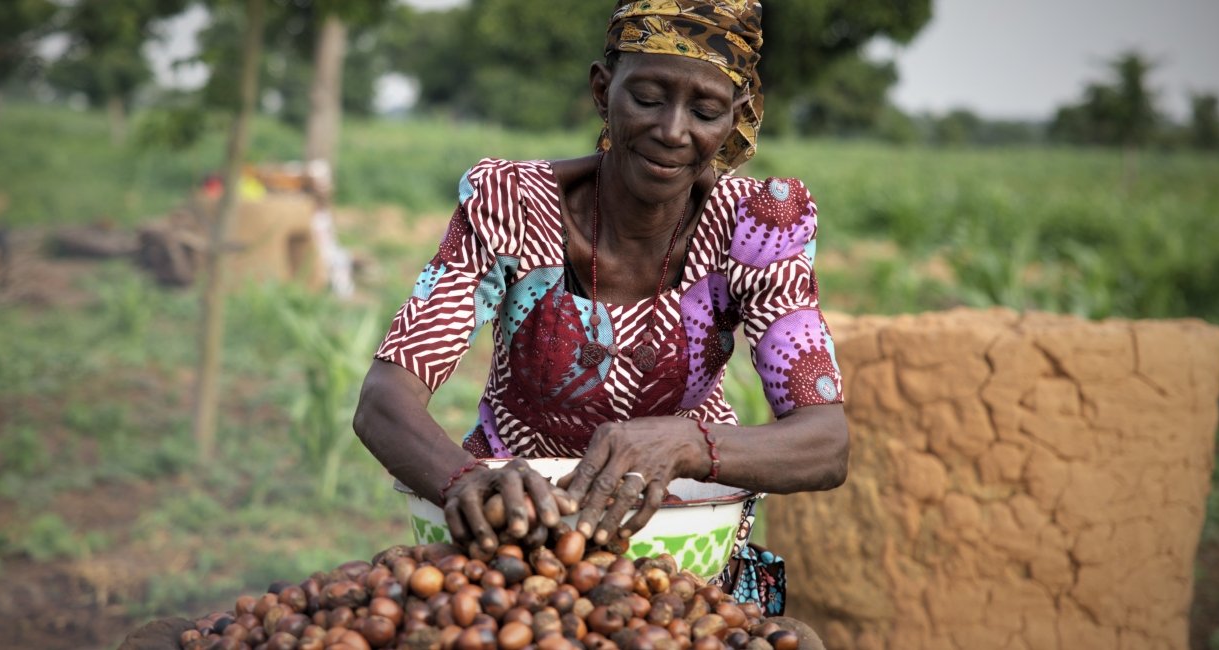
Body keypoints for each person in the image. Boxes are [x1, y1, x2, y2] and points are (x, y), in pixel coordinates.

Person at [353, 0, 848, 617]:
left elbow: (825, 442)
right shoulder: (512, 207)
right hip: (514, 531)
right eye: (646, 97)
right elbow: (385, 398)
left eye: (705, 111)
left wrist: (686, 444)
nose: (672, 130)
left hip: (681, 551)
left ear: (736, 118)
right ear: (601, 90)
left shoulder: (756, 226)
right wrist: (468, 481)